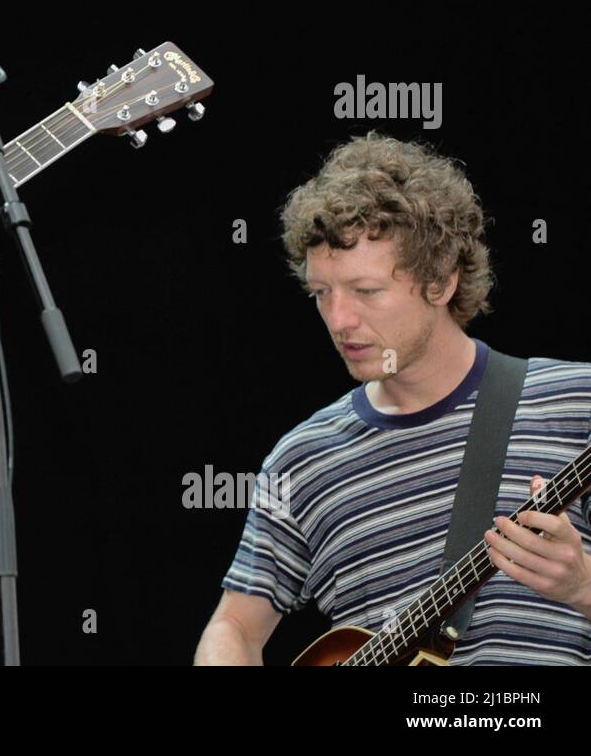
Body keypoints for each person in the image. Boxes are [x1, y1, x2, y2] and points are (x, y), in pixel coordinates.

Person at [194, 132, 591, 665]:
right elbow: (234, 627)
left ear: (442, 280)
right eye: (322, 294)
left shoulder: (575, 401)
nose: (339, 320)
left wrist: (583, 588)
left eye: (367, 291)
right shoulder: (302, 458)